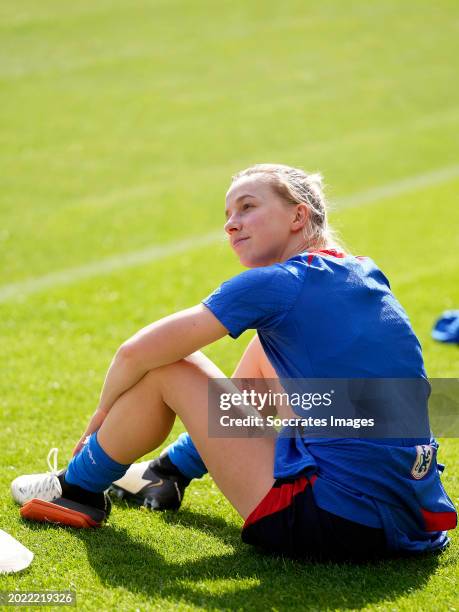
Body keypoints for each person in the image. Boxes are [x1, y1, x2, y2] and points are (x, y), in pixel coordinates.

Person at [12, 164, 457, 561]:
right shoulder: (363, 271)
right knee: (272, 350)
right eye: (228, 215)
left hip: (334, 520)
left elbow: (136, 352)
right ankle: (167, 473)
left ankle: (76, 488)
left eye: (246, 208)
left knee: (172, 368)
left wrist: (100, 418)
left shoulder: (277, 283)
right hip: (411, 514)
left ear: (298, 216)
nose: (231, 225)